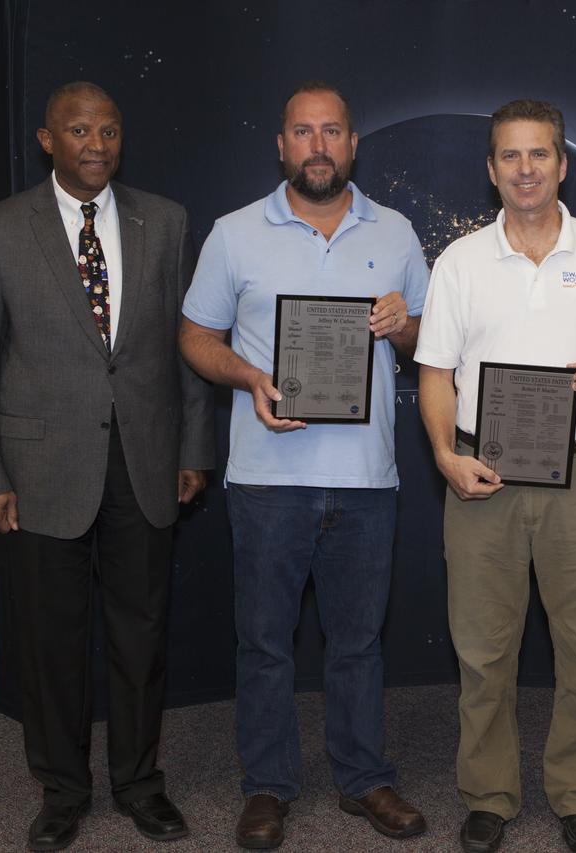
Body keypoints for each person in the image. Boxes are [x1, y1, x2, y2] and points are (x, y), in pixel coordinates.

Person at [0, 81, 213, 851]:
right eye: (79, 130)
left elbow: (191, 347)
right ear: (47, 140)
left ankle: (139, 784)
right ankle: (63, 790)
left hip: (145, 463)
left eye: (109, 131)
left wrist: (194, 448)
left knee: (141, 638)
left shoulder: (166, 221)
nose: (96, 144)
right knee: (51, 644)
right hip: (39, 474)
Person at [178, 81, 428, 850]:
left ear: (352, 143)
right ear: (281, 145)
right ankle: (267, 784)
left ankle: (364, 777)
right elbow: (195, 336)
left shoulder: (397, 231)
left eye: (332, 131)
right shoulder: (233, 233)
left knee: (358, 642)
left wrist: (403, 325)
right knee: (264, 643)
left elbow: (429, 338)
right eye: (303, 131)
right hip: (268, 480)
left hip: (367, 480)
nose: (318, 145)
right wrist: (250, 377)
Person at [415, 99, 576, 853]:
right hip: (482, 470)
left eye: (538, 154)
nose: (525, 169)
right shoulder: (460, 262)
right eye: (510, 156)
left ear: (562, 163)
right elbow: (435, 371)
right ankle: (488, 793)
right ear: (491, 170)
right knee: (483, 648)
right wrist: (444, 454)